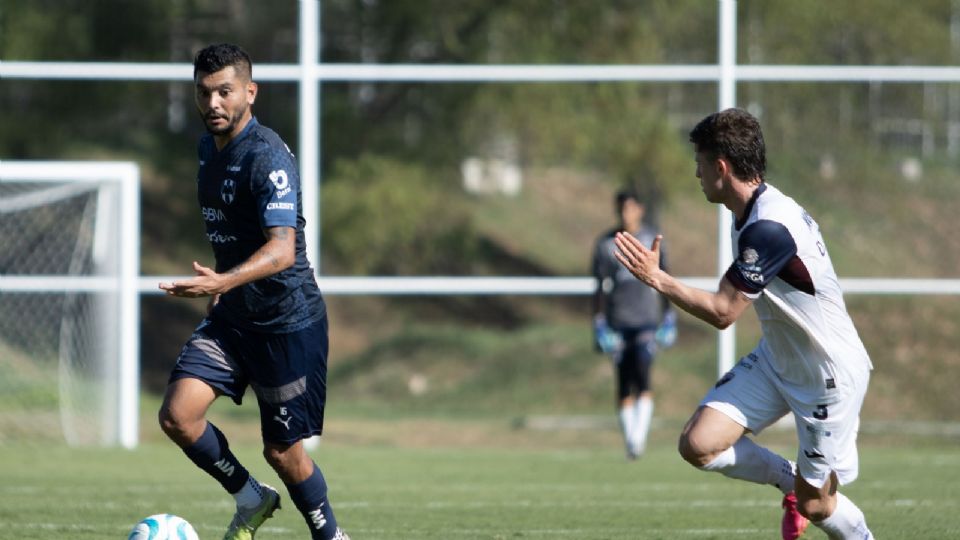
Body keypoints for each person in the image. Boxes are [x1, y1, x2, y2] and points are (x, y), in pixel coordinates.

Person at [613, 108, 874, 540]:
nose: (696, 174)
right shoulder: (752, 212)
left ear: (721, 167)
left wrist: (657, 279)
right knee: (698, 444)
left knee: (817, 504)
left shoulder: (771, 225)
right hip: (779, 358)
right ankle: (790, 479)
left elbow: (723, 312)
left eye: (699, 164)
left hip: (826, 374)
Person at [158, 43, 349, 540]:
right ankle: (251, 498)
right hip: (233, 317)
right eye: (204, 92)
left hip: (287, 321)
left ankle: (330, 535)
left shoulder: (267, 158)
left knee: (282, 452)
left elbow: (282, 250)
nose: (214, 102)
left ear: (249, 92)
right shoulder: (207, 149)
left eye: (225, 91)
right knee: (178, 416)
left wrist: (223, 280)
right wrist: (225, 286)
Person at [591, 188, 676, 460]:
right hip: (618, 321)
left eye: (630, 208)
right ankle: (631, 441)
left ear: (639, 209)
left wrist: (669, 316)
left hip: (646, 320)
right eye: (621, 209)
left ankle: (637, 439)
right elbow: (600, 287)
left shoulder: (652, 238)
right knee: (624, 381)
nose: (625, 214)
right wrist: (599, 322)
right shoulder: (605, 243)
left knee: (643, 371)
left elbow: (666, 278)